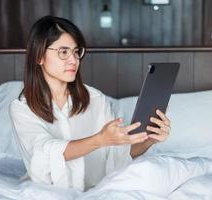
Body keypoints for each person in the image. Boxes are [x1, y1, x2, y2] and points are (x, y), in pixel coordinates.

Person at [10, 15, 171, 191]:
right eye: (63, 52)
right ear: (39, 56)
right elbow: (45, 151)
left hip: (99, 191)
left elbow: (118, 156)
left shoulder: (96, 99)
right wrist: (100, 139)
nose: (73, 60)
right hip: (50, 192)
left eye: (76, 51)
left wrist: (149, 140)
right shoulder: (22, 108)